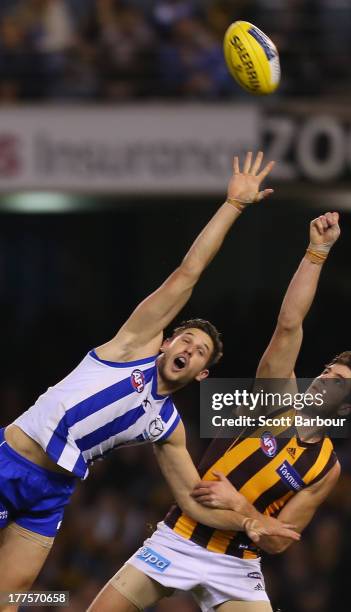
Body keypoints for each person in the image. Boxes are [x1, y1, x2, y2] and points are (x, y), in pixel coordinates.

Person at [0, 152, 299, 604]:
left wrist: (248, 521)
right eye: (184, 340)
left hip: (52, 493)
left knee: (14, 595)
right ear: (164, 343)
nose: (188, 349)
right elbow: (188, 274)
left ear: (202, 375)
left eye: (199, 352)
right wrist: (233, 206)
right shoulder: (129, 348)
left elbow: (194, 502)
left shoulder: (167, 427)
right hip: (10, 463)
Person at [88, 212, 351, 612]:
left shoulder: (327, 468)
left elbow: (279, 539)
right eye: (327, 371)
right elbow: (289, 325)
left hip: (236, 562)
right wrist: (317, 252)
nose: (322, 379)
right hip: (180, 536)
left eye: (337, 382)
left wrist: (240, 508)